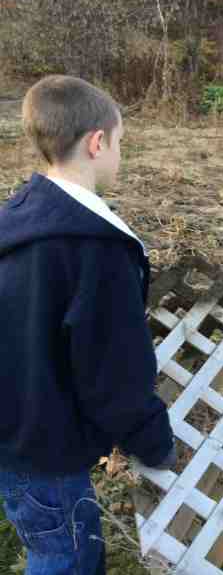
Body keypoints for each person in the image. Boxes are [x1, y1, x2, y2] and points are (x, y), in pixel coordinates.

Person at [0, 76, 176, 574]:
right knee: (66, 557)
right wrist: (154, 444)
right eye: (119, 142)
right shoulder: (96, 248)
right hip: (47, 448)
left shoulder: (16, 219)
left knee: (52, 541)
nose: (120, 154)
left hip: (12, 432)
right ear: (97, 142)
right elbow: (113, 371)